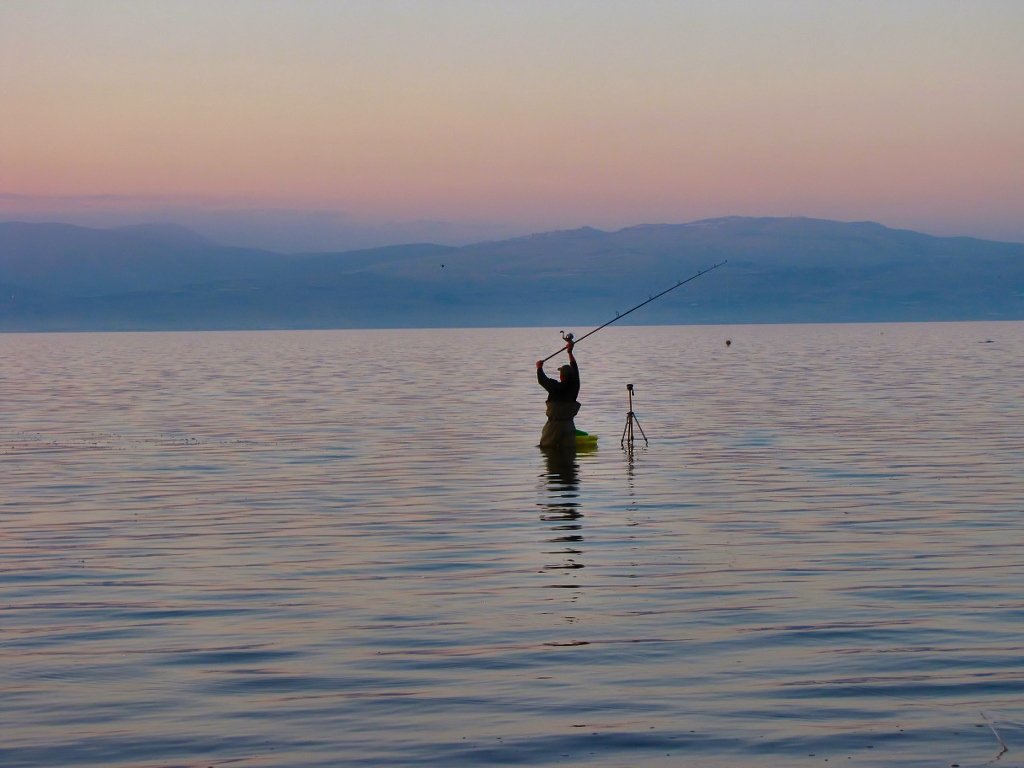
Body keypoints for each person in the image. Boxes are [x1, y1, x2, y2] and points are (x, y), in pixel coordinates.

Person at [536, 339, 581, 450]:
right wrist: (570, 353)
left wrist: (539, 367)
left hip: (553, 427)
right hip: (569, 426)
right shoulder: (575, 387)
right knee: (569, 454)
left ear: (561, 376)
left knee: (548, 451)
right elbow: (575, 370)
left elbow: (542, 380)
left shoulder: (555, 387)